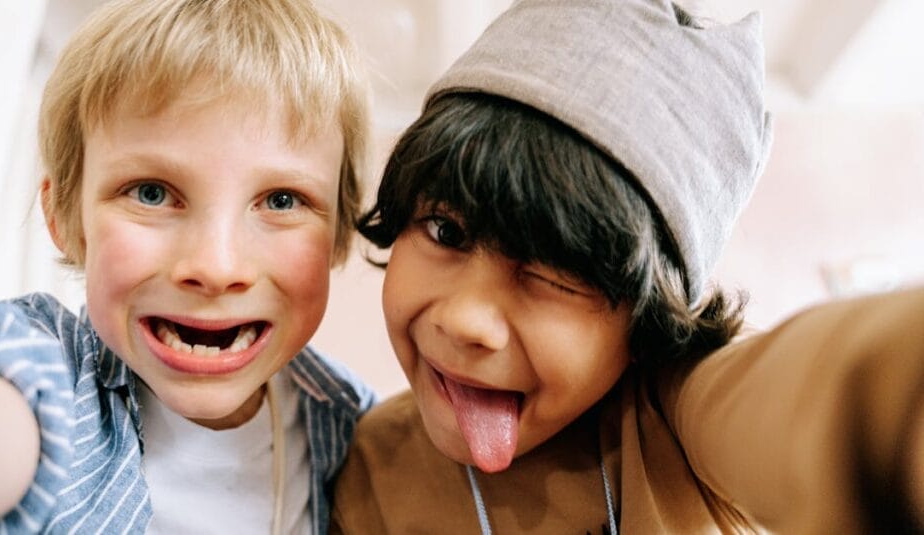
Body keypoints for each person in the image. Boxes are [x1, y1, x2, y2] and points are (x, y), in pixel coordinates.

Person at [330, 0, 924, 533]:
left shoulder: (680, 411)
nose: (467, 321)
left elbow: (834, 400)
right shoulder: (367, 463)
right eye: (445, 231)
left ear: (645, 321)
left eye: (556, 271)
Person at [0, 0, 376, 533]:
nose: (216, 268)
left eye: (282, 201)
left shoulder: (351, 424)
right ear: (65, 218)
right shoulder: (50, 385)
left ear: (339, 234)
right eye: (152, 193)